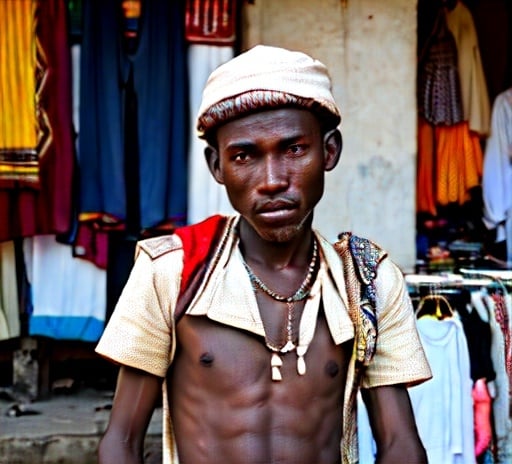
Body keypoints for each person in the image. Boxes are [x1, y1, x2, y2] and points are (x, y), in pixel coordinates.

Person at [95, 45, 432, 464]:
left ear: (328, 152)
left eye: (293, 149)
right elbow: (120, 443)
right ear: (217, 167)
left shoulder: (368, 281)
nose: (272, 181)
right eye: (244, 156)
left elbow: (401, 446)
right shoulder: (172, 270)